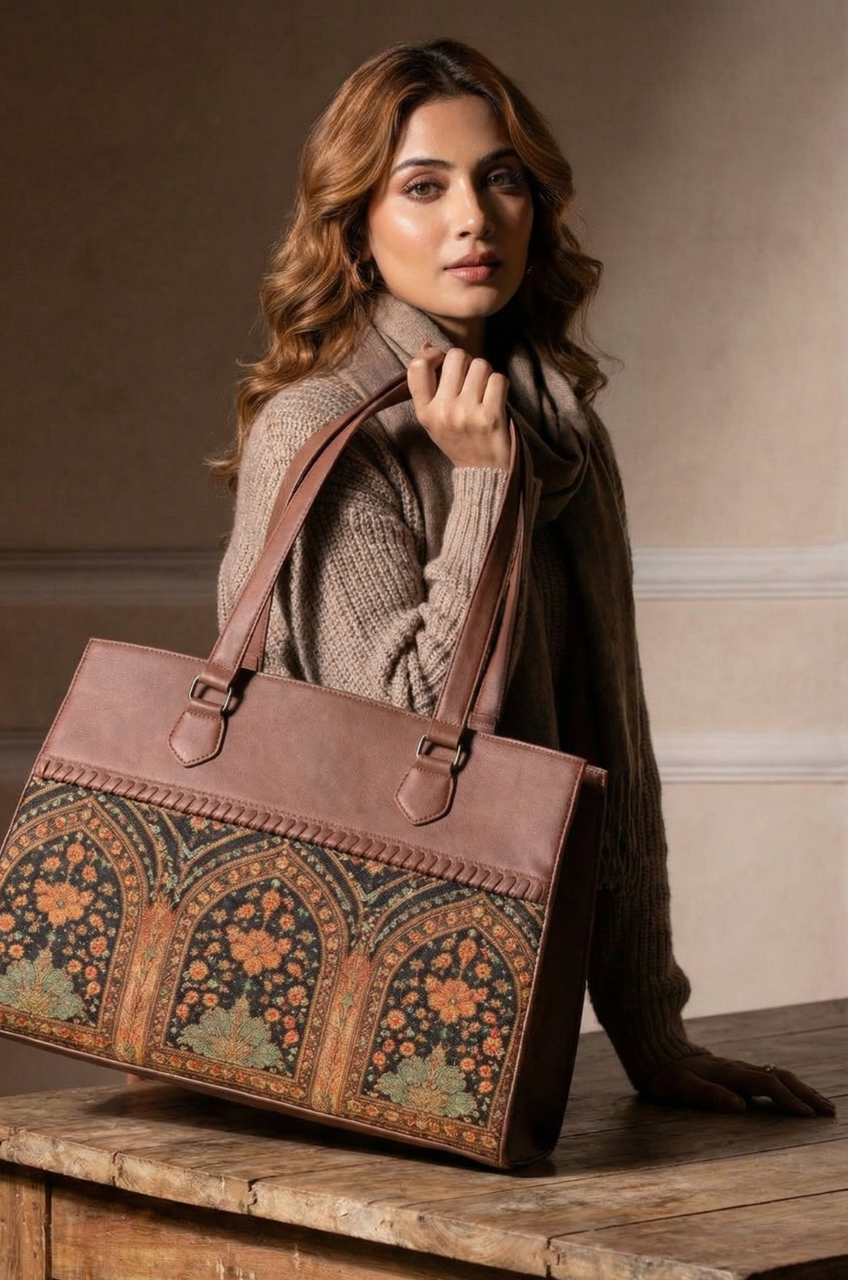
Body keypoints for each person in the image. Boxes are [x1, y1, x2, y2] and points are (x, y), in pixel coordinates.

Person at [213, 38, 834, 1117]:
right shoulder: (319, 433)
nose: (473, 217)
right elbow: (412, 745)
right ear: (356, 231)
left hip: (495, 1022)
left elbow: (611, 751)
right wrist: (482, 488)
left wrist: (653, 1039)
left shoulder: (558, 430)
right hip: (339, 1023)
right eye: (423, 187)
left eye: (500, 178)